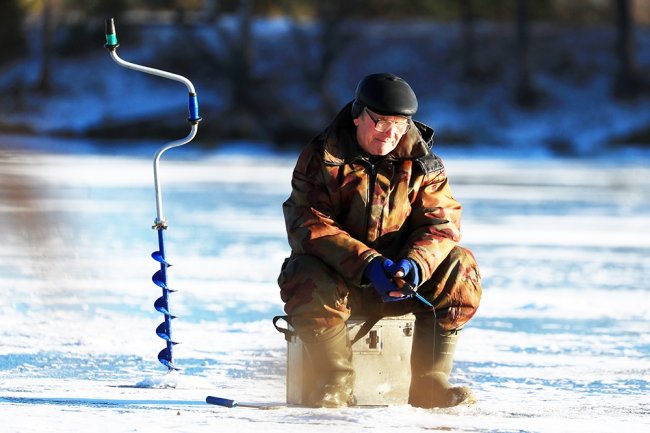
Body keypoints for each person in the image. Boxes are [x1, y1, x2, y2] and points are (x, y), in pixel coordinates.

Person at [278, 73, 482, 408]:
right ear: (358, 115)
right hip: (341, 282)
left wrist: (416, 263)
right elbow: (307, 225)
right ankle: (335, 380)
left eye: (400, 124)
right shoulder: (321, 158)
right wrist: (367, 263)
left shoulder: (423, 162)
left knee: (461, 266)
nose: (390, 133)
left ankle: (430, 381)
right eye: (381, 122)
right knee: (302, 272)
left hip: (402, 282)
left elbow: (442, 223)